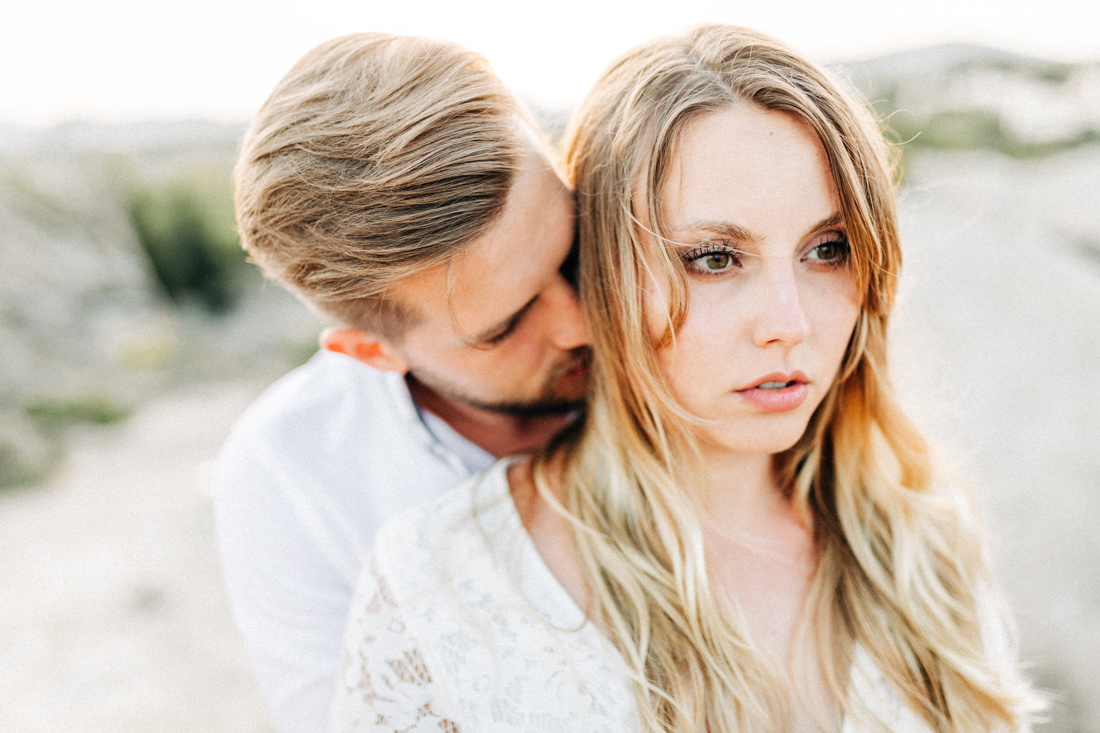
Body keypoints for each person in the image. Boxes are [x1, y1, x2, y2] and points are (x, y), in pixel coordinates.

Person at [331, 24, 1042, 732]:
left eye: (828, 248)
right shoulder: (441, 586)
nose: (789, 323)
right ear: (600, 272)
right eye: (714, 259)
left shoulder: (922, 533)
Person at [213, 33, 590, 733]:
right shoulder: (286, 478)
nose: (582, 323)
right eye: (505, 326)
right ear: (371, 351)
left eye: (571, 255)